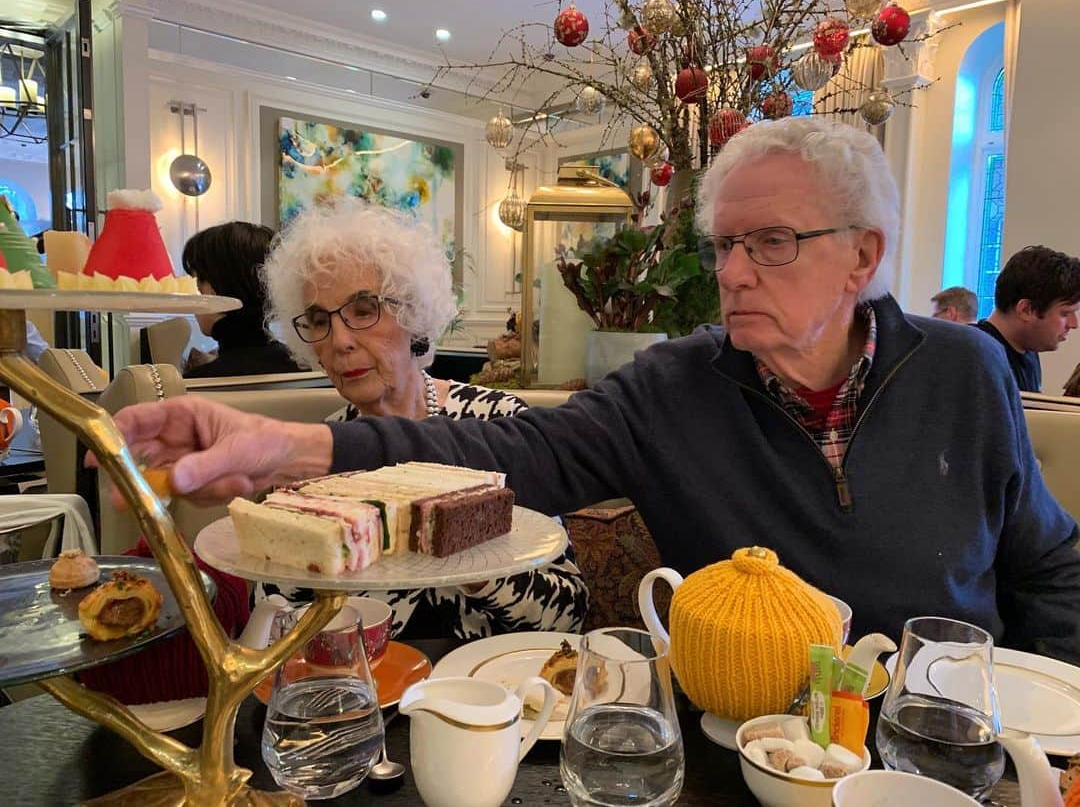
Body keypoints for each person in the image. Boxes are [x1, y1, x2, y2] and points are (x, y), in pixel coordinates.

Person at [98, 117, 1080, 664]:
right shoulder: (674, 385)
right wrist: (289, 447)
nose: (734, 272)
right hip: (738, 733)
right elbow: (505, 452)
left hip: (936, 730)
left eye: (770, 242)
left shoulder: (965, 370)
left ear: (862, 254)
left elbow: (1048, 564)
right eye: (724, 244)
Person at [258, 200, 587, 639]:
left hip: (495, 693)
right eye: (319, 320)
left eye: (363, 310)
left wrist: (475, 564)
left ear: (414, 313)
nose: (340, 341)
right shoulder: (315, 461)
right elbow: (274, 620)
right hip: (367, 691)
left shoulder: (497, 426)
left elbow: (568, 612)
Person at [181, 221, 302, 378]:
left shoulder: (199, 384)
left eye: (198, 284)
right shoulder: (307, 367)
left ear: (217, 288)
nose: (196, 303)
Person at [974, 246, 1080, 392]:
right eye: (1065, 313)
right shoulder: (977, 358)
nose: (1074, 324)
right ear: (1025, 309)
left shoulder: (1028, 351)